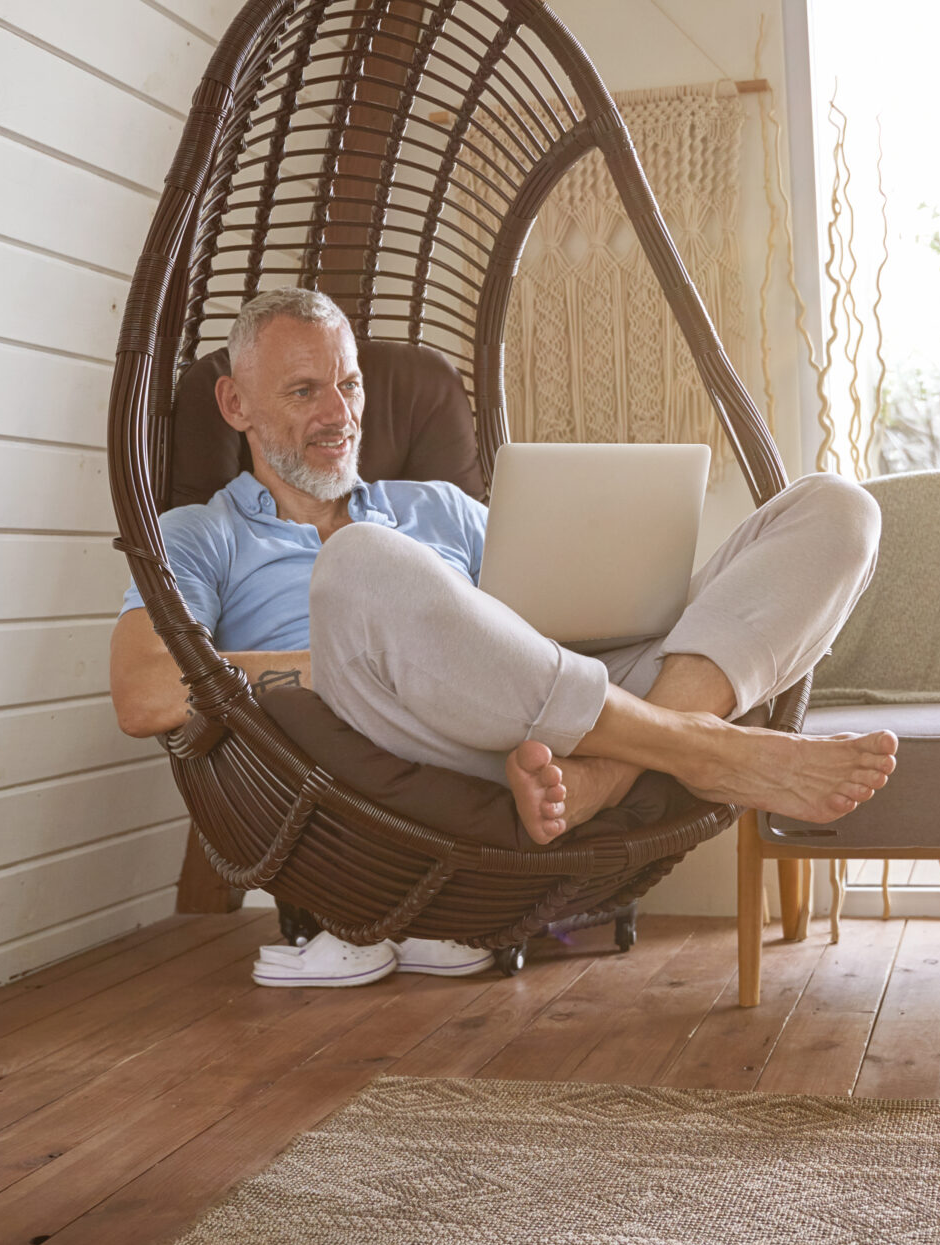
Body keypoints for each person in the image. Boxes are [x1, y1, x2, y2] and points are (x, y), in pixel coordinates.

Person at [111, 287, 895, 985]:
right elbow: (143, 690)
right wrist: (347, 666)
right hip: (403, 736)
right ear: (234, 404)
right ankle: (701, 745)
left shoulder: (438, 508)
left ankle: (606, 774)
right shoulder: (199, 533)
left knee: (836, 507)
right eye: (305, 390)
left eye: (348, 384)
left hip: (546, 731)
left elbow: (537, 627)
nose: (339, 415)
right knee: (359, 560)